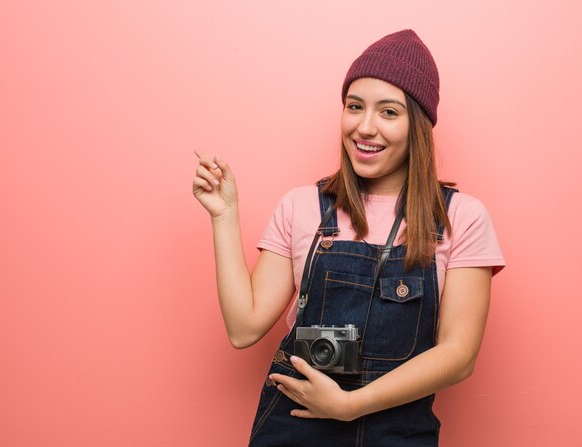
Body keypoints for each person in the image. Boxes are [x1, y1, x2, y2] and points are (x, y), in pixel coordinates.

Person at [192, 29, 505, 447]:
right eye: (354, 107)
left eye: (389, 112)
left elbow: (459, 355)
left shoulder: (460, 218)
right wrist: (224, 216)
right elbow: (243, 328)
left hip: (400, 431)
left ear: (419, 124)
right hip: (294, 425)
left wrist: (351, 405)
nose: (365, 127)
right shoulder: (301, 206)